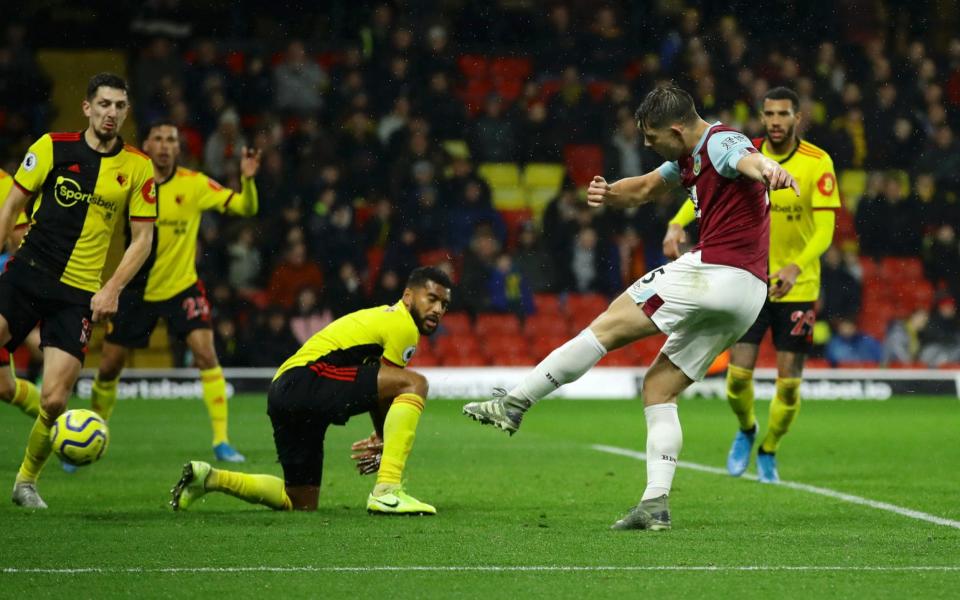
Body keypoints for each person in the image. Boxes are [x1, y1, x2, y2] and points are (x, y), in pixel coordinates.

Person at [463, 86, 798, 530]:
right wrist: (606, 191)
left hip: (714, 272)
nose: (645, 143)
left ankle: (516, 402)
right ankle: (655, 504)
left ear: (676, 130)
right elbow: (641, 189)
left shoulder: (720, 141)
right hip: (747, 295)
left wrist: (769, 168)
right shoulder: (687, 155)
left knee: (605, 327)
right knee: (659, 389)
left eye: (652, 136)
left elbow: (749, 159)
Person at [662, 87, 839, 483]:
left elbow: (825, 230)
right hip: (750, 277)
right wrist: (677, 222)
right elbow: (703, 194)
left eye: (784, 114)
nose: (776, 121)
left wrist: (795, 266)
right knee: (737, 379)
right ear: (762, 116)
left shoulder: (818, 162)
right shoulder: (741, 152)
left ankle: (770, 448)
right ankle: (746, 430)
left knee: (789, 386)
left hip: (799, 286)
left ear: (798, 118)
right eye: (769, 114)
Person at [170, 266, 451, 515]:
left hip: (283, 391)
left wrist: (382, 438)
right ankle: (387, 492)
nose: (438, 310)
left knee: (300, 501)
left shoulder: (381, 319)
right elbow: (391, 388)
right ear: (408, 297)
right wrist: (383, 440)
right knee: (416, 383)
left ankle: (209, 478)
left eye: (444, 304)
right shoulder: (402, 324)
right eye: (432, 299)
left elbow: (379, 387)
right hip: (307, 379)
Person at [0, 73, 157, 508]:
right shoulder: (52, 146)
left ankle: (25, 483)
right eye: (103, 104)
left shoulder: (138, 167)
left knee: (53, 400)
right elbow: (12, 204)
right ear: (87, 107)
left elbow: (142, 240)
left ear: (126, 112)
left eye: (119, 106)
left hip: (80, 294)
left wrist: (111, 290)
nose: (111, 113)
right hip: (28, 272)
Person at [89, 122, 261, 463]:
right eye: (159, 139)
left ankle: (222, 441)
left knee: (206, 354)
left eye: (172, 140)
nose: (166, 146)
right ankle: (95, 433)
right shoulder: (132, 181)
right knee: (109, 366)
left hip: (182, 286)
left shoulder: (193, 184)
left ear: (179, 149)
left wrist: (249, 179)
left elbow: (246, 208)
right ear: (147, 145)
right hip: (137, 289)